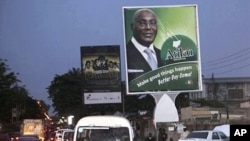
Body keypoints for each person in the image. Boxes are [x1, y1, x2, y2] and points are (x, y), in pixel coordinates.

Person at [126, 8, 163, 82]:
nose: (148, 27)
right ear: (132, 27)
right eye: (142, 23)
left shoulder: (163, 56)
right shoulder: (125, 54)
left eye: (152, 23)